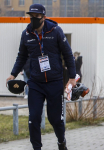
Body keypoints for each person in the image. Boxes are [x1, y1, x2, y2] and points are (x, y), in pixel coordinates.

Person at [6, 4, 76, 150]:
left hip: (54, 81)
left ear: (43, 17)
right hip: (35, 83)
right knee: (34, 118)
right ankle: (36, 148)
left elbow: (68, 54)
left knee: (55, 119)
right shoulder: (26, 34)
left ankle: (61, 141)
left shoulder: (55, 31)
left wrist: (71, 77)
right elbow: (22, 56)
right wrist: (12, 74)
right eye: (31, 16)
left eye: (36, 17)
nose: (33, 19)